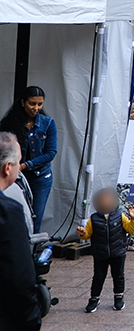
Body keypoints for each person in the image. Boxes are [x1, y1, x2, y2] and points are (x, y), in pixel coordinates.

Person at [0, 87, 56, 233]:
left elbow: (50, 153)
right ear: (23, 102)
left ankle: (32, 253)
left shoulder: (48, 123)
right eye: (32, 104)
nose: (36, 108)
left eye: (40, 104)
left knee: (35, 219)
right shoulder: (9, 123)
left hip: (41, 177)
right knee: (15, 215)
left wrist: (25, 165)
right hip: (16, 177)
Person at [0, 132, 40, 330]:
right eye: (18, 163)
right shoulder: (8, 212)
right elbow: (19, 276)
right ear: (8, 167)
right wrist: (32, 319)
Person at [77, 188, 134, 313]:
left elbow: (130, 229)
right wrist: (83, 233)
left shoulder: (119, 216)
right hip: (100, 254)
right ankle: (94, 298)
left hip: (118, 253)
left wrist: (133, 218)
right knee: (98, 277)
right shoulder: (93, 219)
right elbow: (87, 234)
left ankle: (119, 297)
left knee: (118, 276)